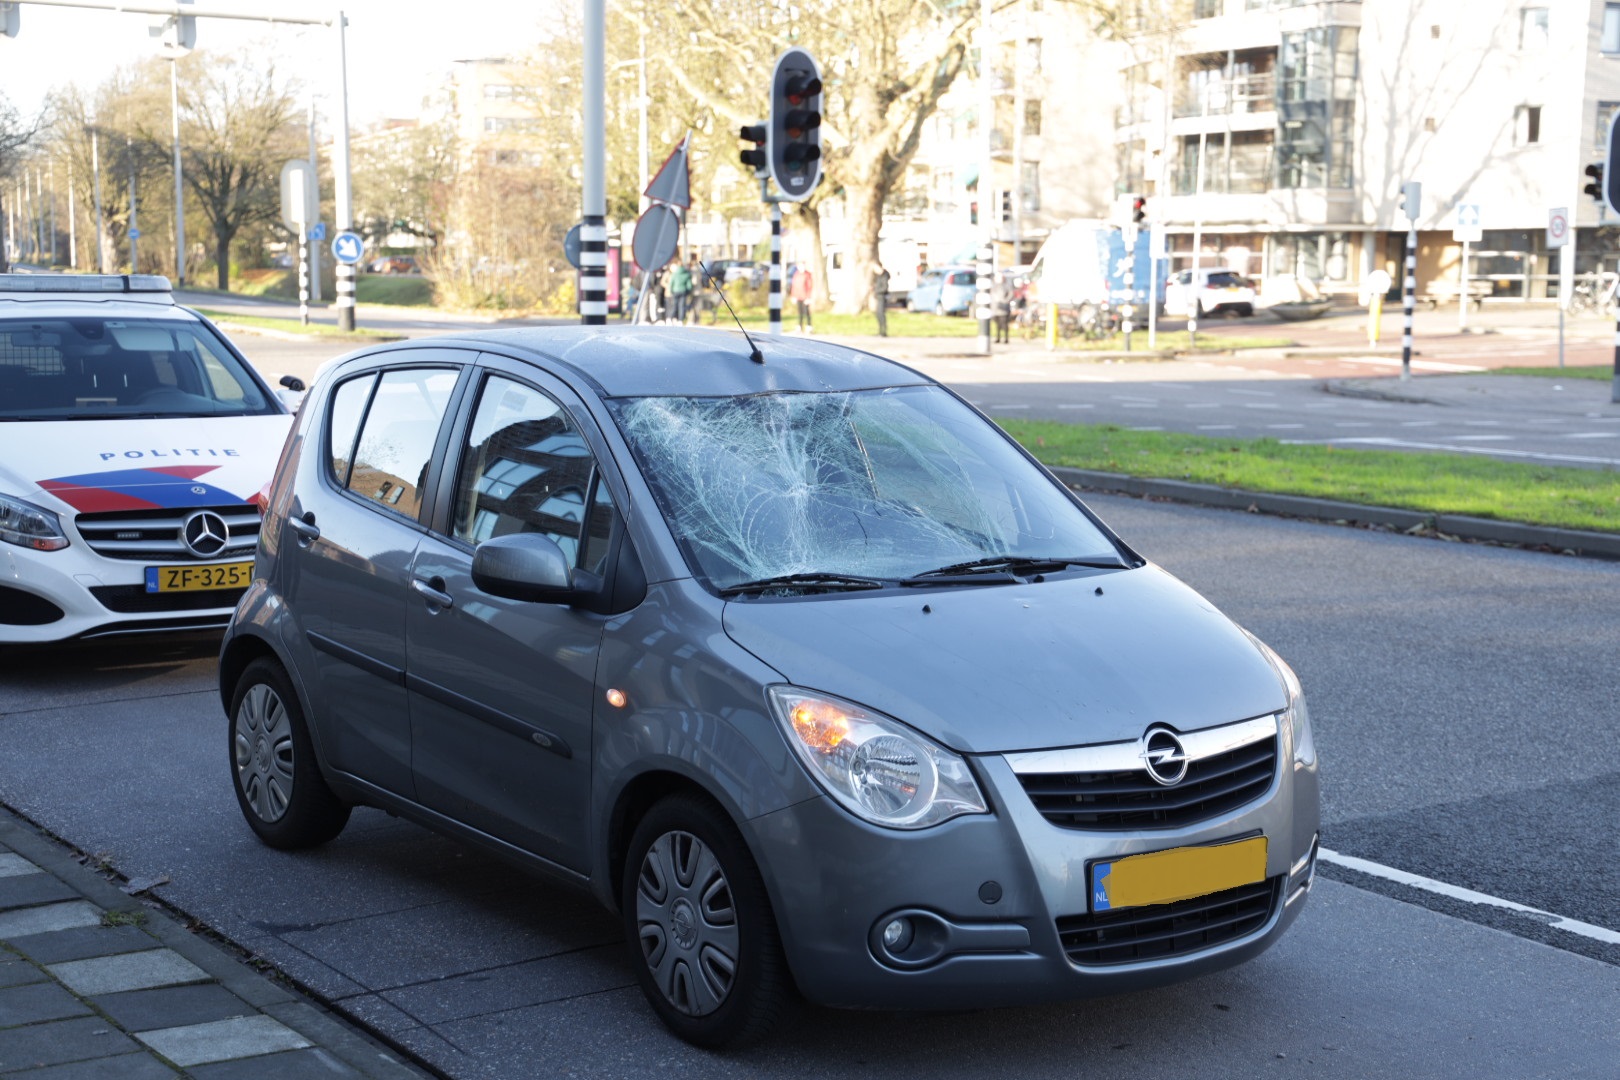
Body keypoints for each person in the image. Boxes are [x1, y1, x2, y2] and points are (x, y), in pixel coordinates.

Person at [668, 258, 694, 324]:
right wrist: (688, 291)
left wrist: (671, 290)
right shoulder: (686, 274)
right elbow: (689, 285)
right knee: (682, 306)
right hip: (683, 291)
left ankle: (671, 318)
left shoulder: (674, 274)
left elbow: (671, 283)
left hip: (675, 291)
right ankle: (680, 320)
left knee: (674, 305)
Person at [790, 265, 814, 333]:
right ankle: (799, 326)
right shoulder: (796, 274)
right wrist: (793, 295)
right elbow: (794, 285)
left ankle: (809, 326)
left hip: (805, 296)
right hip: (798, 296)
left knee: (806, 312)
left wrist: (808, 297)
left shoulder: (807, 274)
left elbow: (809, 286)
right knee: (799, 312)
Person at [991, 272, 1013, 344]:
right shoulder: (994, 286)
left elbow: (1011, 294)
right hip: (996, 308)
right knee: (997, 324)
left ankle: (1006, 338)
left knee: (1004, 324)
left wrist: (1006, 301)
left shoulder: (1006, 286)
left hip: (1004, 308)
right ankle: (998, 337)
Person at [872, 265, 891, 337]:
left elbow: (884, 288)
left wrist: (877, 291)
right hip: (878, 297)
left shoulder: (884, 276)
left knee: (881, 315)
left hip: (882, 297)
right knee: (878, 315)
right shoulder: (879, 276)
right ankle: (880, 331)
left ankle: (884, 332)